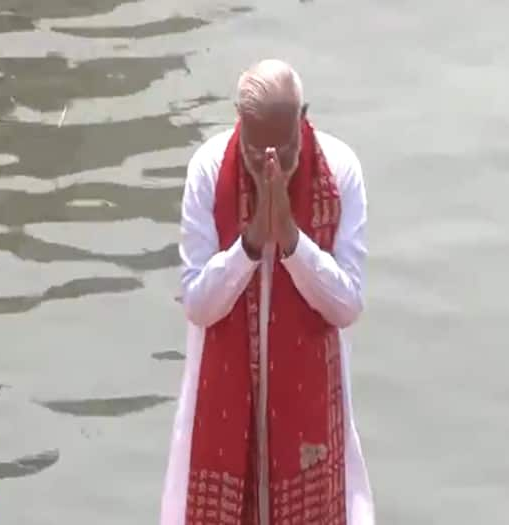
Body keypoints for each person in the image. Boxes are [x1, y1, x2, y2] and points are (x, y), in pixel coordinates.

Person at [160, 59, 374, 525]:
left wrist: (294, 243)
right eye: (258, 151)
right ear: (239, 123)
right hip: (221, 403)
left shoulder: (340, 170)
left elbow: (347, 305)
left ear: (304, 118)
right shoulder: (209, 170)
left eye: (286, 144)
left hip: (312, 407)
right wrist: (253, 242)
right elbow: (198, 304)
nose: (271, 162)